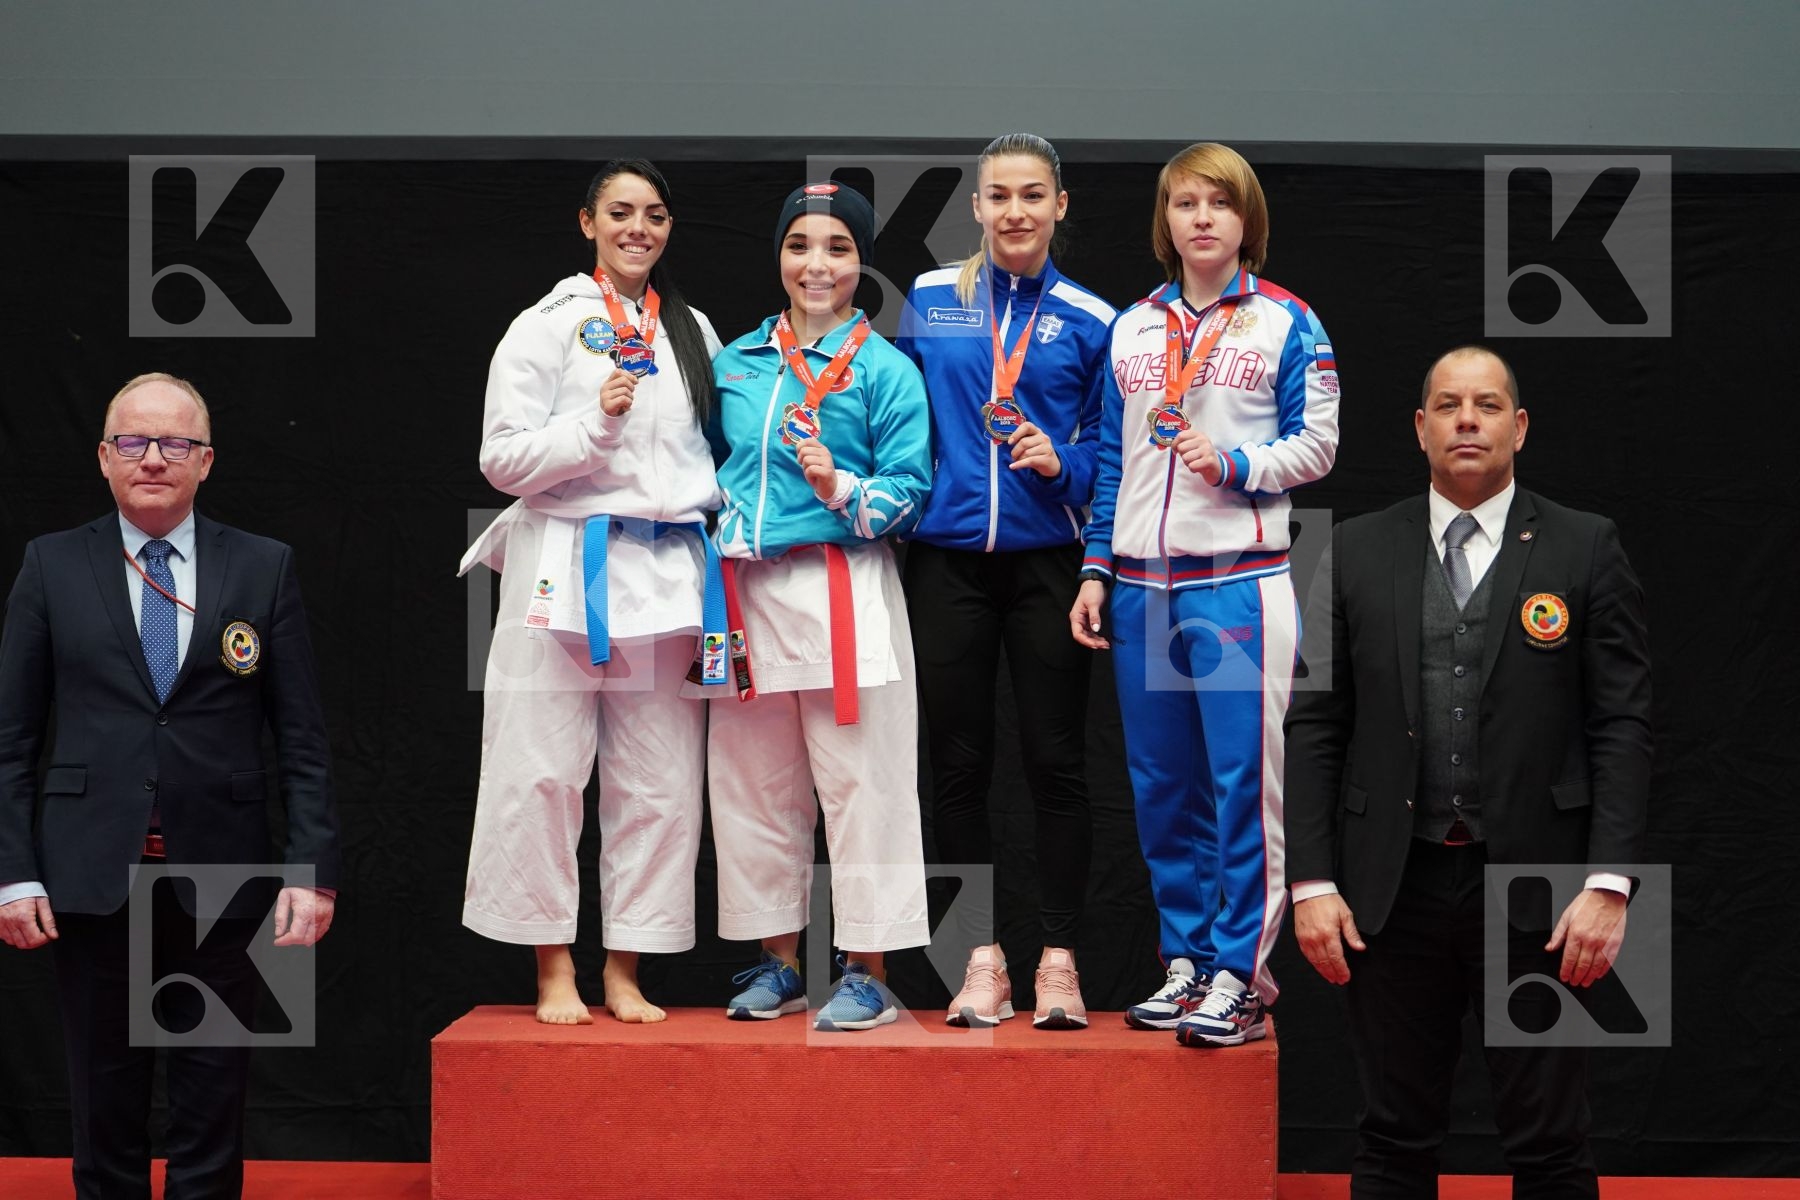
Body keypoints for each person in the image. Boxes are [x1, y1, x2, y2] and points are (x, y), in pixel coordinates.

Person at [1284, 346, 1652, 1198]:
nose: (1467, 420)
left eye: (1487, 405)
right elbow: (1314, 727)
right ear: (1420, 429)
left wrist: (1610, 882)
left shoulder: (1586, 545)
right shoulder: (1350, 550)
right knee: (1391, 1139)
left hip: (1542, 891)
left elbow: (1623, 725)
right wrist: (1310, 883)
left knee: (1552, 1143)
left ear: (1517, 427)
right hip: (1389, 889)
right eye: (1448, 405)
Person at [0, 373, 341, 1200]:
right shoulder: (52, 564)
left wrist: (315, 870)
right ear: (104, 457)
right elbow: (11, 738)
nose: (154, 458)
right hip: (87, 875)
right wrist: (14, 872)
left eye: (175, 443)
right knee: (103, 1098)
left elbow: (300, 738)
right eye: (133, 442)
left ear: (206, 461)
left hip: (221, 876)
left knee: (213, 1097)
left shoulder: (262, 567)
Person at [1071, 142, 1340, 1044]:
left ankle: (1242, 974)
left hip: (1238, 582)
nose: (1202, 220)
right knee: (1160, 786)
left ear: (1245, 221)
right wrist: (1096, 568)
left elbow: (1319, 446)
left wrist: (1233, 465)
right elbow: (1114, 461)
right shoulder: (1133, 327)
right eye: (1186, 204)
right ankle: (1184, 962)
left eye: (1220, 205)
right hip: (1143, 585)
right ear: (1166, 222)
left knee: (1241, 785)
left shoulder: (1288, 321)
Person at [457, 159, 725, 1025]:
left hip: (666, 575)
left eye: (652, 214)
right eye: (619, 213)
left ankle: (625, 969)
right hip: (561, 565)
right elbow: (501, 459)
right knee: (540, 774)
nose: (636, 229)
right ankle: (552, 969)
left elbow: (717, 460)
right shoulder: (545, 326)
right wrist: (592, 422)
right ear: (587, 224)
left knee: (658, 784)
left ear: (668, 227)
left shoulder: (696, 332)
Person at [896, 133, 1114, 1030]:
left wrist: (1061, 461)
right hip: (947, 560)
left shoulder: (1096, 319)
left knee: (1057, 764)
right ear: (976, 208)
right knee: (956, 766)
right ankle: (980, 961)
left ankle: (1058, 961)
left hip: (1048, 565)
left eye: (1033, 195)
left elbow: (1118, 457)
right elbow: (902, 419)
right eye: (998, 196)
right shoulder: (930, 301)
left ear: (1061, 205)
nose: (1015, 211)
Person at [707, 182, 933, 1032]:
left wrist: (840, 486)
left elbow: (913, 495)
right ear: (780, 255)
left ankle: (868, 971)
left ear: (860, 263)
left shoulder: (886, 369)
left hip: (844, 587)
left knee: (863, 788)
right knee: (754, 787)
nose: (818, 263)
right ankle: (778, 964)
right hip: (748, 594)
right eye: (801, 244)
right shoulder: (734, 361)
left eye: (838, 248)